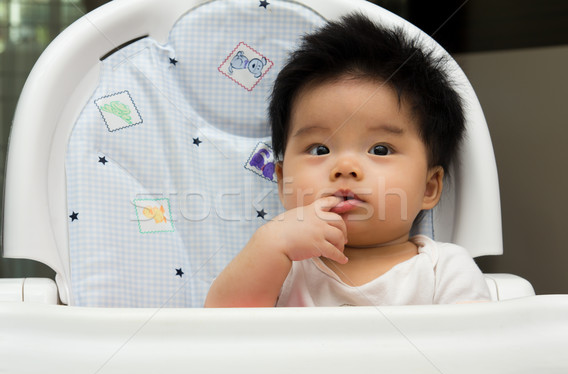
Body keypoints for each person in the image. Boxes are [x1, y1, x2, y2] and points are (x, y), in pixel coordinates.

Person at [204, 13, 491, 307]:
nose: (345, 168)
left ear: (429, 188)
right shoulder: (279, 267)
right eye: (319, 149)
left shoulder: (444, 270)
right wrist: (269, 243)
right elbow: (217, 332)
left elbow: (474, 347)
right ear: (282, 180)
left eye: (380, 150)